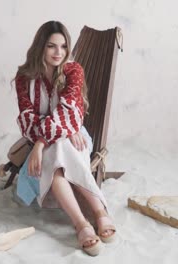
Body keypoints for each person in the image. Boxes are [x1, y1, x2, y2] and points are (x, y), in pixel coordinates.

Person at [13, 21, 116, 256]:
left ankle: (88, 221)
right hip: (60, 138)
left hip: (75, 138)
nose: (58, 52)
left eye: (63, 46)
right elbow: (27, 120)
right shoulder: (24, 77)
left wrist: (40, 143)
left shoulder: (73, 71)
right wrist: (57, 129)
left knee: (57, 149)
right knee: (56, 153)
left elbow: (70, 112)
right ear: (40, 47)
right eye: (51, 46)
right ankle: (91, 217)